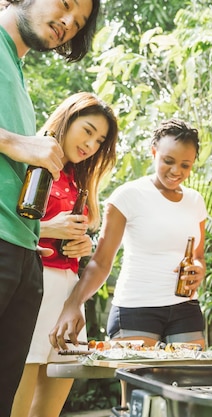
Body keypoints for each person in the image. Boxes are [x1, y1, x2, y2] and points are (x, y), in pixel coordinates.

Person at [0, 0, 101, 413]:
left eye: (77, 23)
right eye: (65, 4)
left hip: (24, 258)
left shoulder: (17, 74)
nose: (67, 23)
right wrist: (14, 142)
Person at [50, 119, 207, 351]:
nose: (176, 171)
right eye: (168, 161)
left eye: (186, 165)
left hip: (186, 308)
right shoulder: (128, 196)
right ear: (154, 152)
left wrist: (199, 269)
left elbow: (198, 256)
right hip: (136, 308)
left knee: (189, 384)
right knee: (138, 386)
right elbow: (102, 262)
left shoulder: (195, 201)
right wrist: (73, 304)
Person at [10, 92, 118, 417]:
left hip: (68, 296)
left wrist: (81, 247)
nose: (91, 145)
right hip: (32, 290)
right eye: (87, 131)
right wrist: (47, 228)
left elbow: (69, 235)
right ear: (67, 119)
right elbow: (10, 223)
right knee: (16, 404)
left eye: (99, 141)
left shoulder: (79, 181)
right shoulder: (28, 158)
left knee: (49, 410)